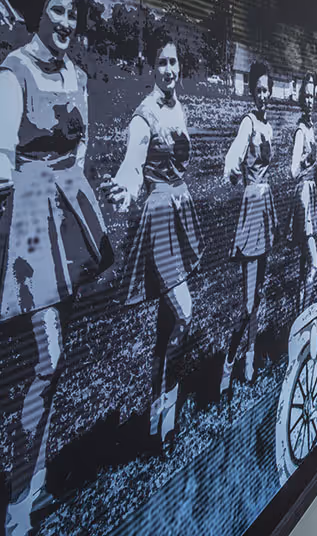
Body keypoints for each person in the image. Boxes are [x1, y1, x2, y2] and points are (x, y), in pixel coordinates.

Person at [0, 0, 113, 534]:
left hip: (69, 215)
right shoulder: (13, 71)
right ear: (37, 12)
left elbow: (86, 136)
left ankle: (36, 481)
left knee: (57, 356)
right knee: (46, 360)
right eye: (58, 10)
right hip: (28, 220)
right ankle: (18, 500)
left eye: (73, 11)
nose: (68, 21)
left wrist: (79, 189)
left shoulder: (76, 75)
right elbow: (0, 157)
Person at [103, 24, 202, 449]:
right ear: (150, 67)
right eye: (160, 62)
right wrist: (124, 189)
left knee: (168, 324)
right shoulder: (143, 116)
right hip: (160, 214)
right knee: (184, 312)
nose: (168, 69)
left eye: (173, 61)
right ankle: (161, 410)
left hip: (182, 210)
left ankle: (162, 421)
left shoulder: (180, 109)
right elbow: (133, 162)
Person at [220, 60, 275, 399]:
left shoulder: (269, 127)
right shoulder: (249, 123)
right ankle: (227, 366)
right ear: (252, 92)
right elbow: (233, 159)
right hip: (252, 209)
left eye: (267, 90)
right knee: (247, 304)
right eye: (258, 91)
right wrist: (237, 177)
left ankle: (250, 363)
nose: (263, 96)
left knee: (258, 296)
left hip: (266, 210)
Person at [290, 73, 317, 307]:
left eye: (313, 97)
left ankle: (299, 307)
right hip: (303, 195)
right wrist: (306, 159)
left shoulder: (311, 128)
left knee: (303, 263)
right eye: (306, 96)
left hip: (312, 192)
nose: (310, 101)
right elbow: (292, 171)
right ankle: (306, 312)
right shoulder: (301, 131)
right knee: (314, 263)